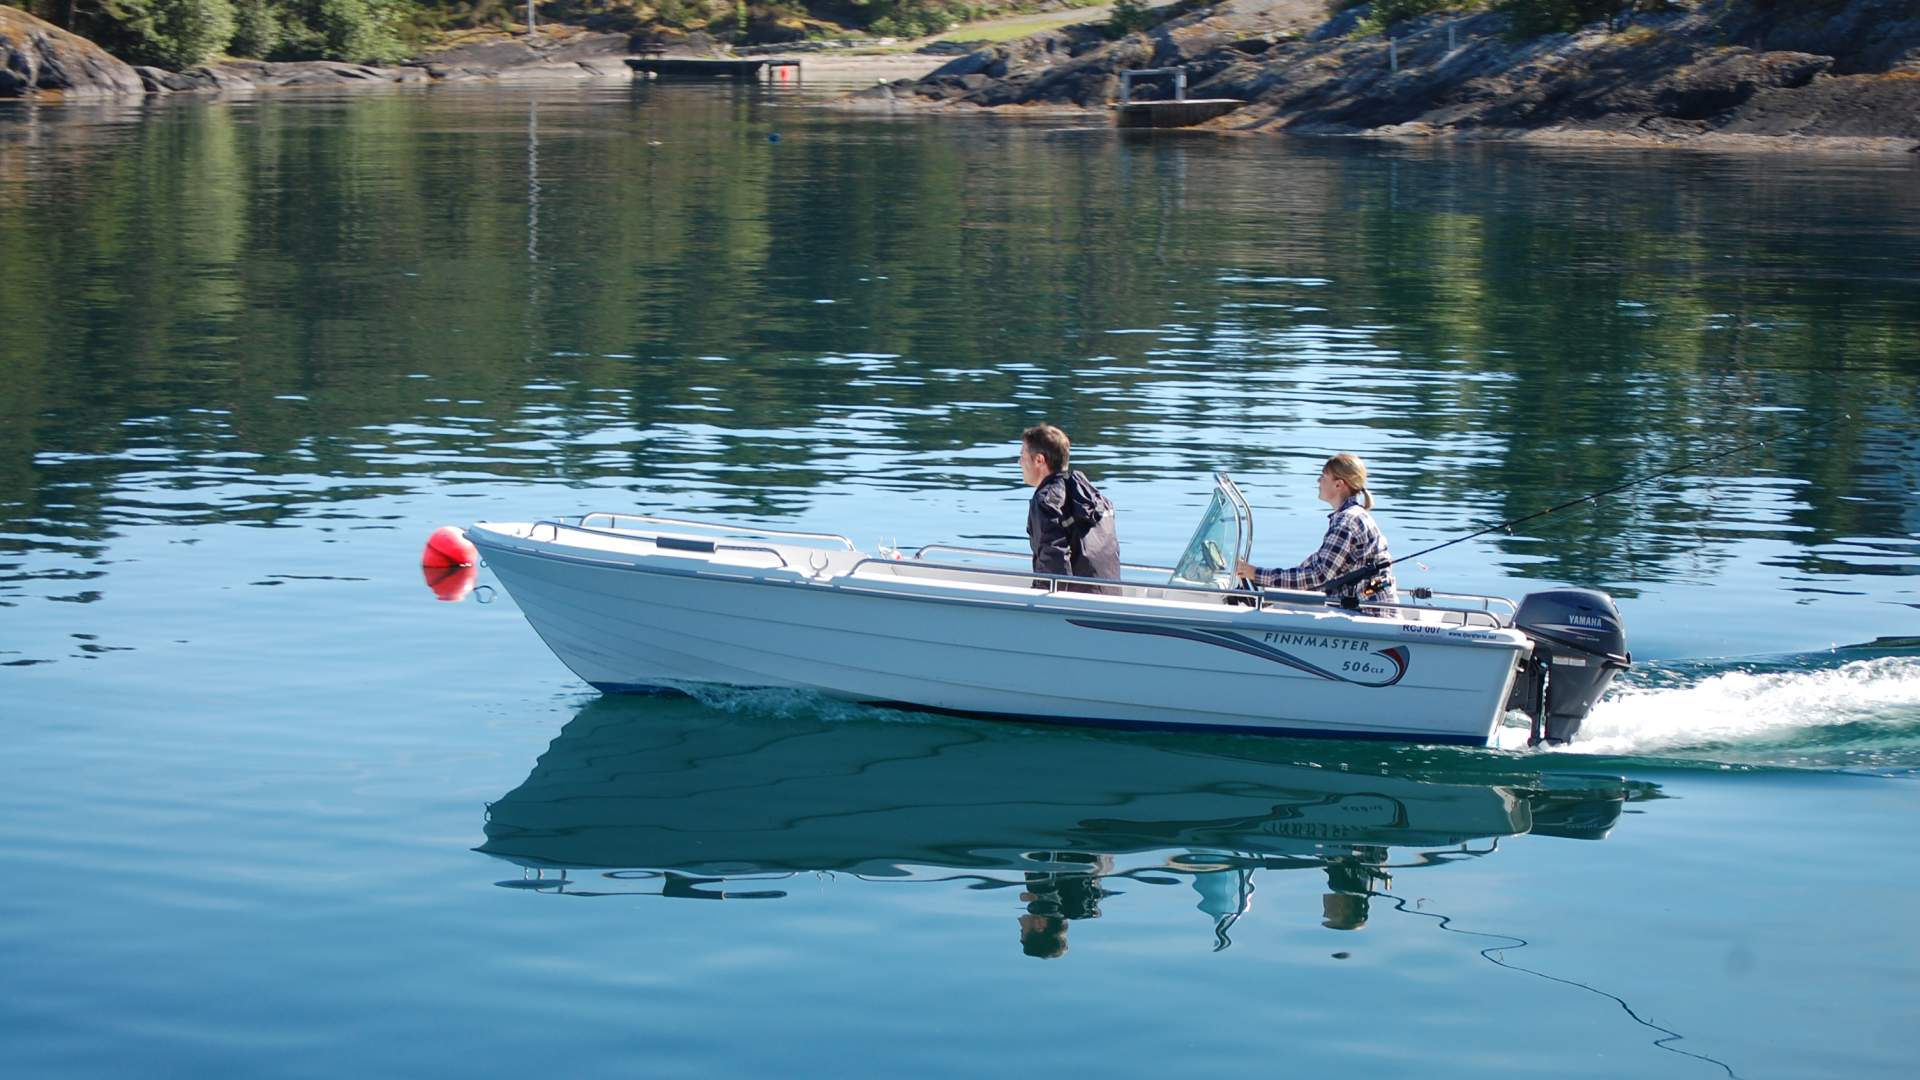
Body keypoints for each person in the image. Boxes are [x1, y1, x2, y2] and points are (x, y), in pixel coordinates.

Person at [1235, 452, 1398, 609]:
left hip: (1366, 612)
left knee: (1277, 610)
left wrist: (1255, 573)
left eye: (1323, 476)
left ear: (1339, 484)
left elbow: (1317, 575)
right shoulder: (1351, 516)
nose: (1318, 480)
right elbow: (1314, 566)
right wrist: (1263, 580)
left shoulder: (1346, 522)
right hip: (1360, 606)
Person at [1020, 424, 1121, 591]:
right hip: (1110, 597)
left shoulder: (1046, 502)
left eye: (1022, 456)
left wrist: (1037, 603)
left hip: (1075, 606)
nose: (1019, 462)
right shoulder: (1096, 499)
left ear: (1039, 460)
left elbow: (1054, 564)